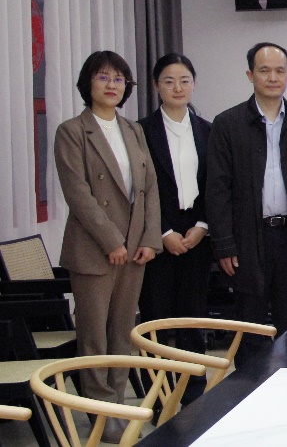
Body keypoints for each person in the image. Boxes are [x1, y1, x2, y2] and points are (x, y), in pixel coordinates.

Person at [54, 51, 161, 443]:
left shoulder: (133, 130)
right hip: (94, 250)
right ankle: (100, 412)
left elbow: (148, 189)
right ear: (88, 83)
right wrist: (112, 240)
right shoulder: (72, 131)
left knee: (121, 331)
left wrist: (149, 239)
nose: (112, 85)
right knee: (94, 335)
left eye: (119, 79)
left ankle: (117, 404)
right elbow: (78, 193)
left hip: (134, 250)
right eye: (103, 77)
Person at [206, 42, 287, 369]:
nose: (272, 77)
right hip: (247, 239)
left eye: (280, 71)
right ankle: (249, 391)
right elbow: (218, 189)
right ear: (250, 75)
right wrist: (224, 244)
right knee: (249, 327)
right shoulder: (228, 124)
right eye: (264, 70)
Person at [137, 53, 213, 405]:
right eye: (169, 81)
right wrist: (163, 232)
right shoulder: (141, 131)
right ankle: (158, 399)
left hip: (197, 233)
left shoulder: (208, 130)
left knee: (193, 317)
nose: (177, 88)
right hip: (157, 235)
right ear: (156, 86)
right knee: (157, 320)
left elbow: (215, 184)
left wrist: (202, 225)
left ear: (193, 84)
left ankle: (194, 395)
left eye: (184, 80)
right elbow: (140, 188)